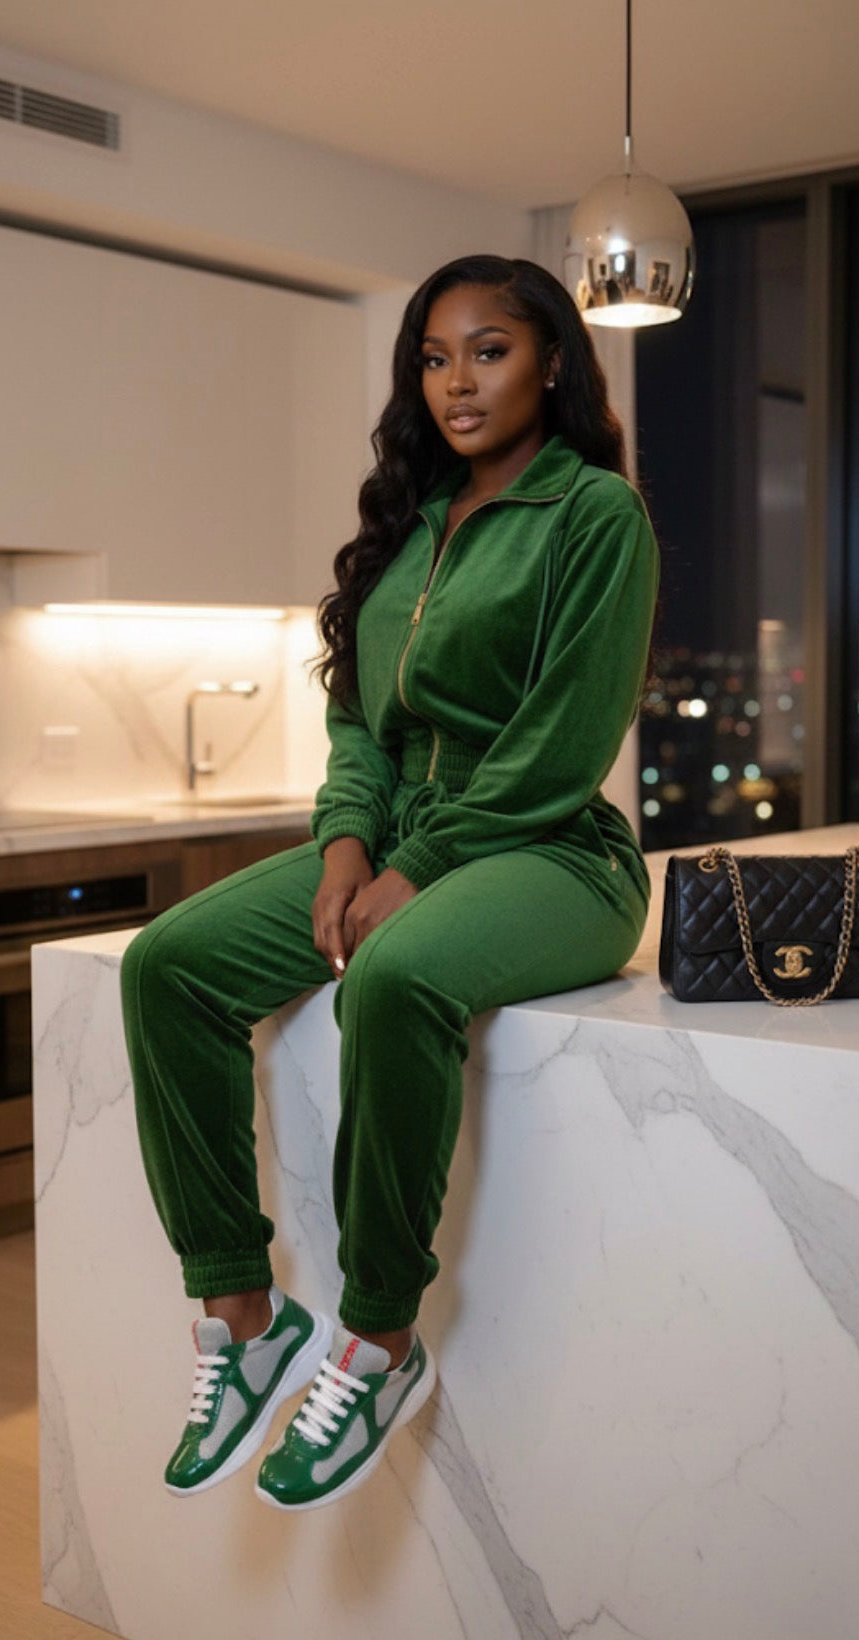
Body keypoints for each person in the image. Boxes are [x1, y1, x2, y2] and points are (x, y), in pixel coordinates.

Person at [120, 252, 660, 1513]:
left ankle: (374, 1338)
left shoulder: (593, 515)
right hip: (400, 839)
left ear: (551, 364)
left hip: (547, 850)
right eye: (431, 357)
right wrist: (354, 844)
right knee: (168, 965)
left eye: (488, 350)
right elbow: (358, 724)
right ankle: (243, 1319)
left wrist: (417, 866)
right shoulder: (406, 529)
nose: (455, 382)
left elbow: (562, 742)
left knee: (400, 977)